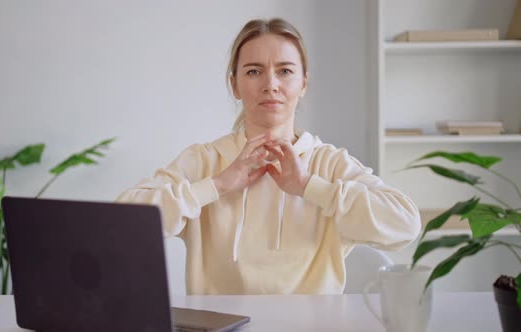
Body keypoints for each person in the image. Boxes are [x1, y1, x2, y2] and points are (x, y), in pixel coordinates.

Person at [116, 18, 421, 295]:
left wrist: (309, 186)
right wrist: (217, 185)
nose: (270, 85)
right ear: (235, 84)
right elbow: (121, 224)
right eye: (254, 71)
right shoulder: (204, 160)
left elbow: (406, 225)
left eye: (285, 71)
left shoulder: (330, 163)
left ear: (303, 84)